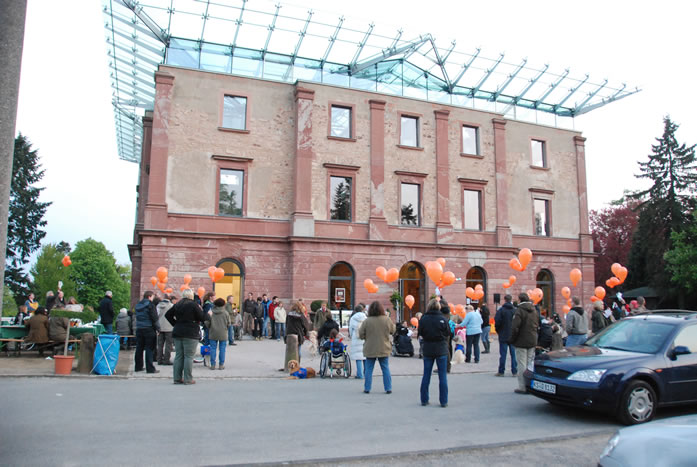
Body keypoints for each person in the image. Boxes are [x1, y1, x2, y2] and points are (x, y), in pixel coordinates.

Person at [166, 288, 207, 384]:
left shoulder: (177, 304)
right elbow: (201, 317)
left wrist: (176, 324)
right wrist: (206, 314)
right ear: (191, 295)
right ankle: (188, 378)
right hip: (190, 332)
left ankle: (177, 378)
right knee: (189, 356)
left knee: (179, 356)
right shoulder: (193, 305)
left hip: (178, 332)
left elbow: (167, 315)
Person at [418, 298, 450, 407]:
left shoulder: (424, 319)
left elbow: (420, 332)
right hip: (441, 348)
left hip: (428, 348)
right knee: (442, 376)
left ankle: (424, 399)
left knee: (426, 375)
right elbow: (448, 332)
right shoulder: (443, 318)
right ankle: (443, 401)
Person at [358, 301, 395, 394]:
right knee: (385, 368)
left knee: (369, 369)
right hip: (384, 347)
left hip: (370, 348)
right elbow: (393, 330)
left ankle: (367, 388)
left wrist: (366, 337)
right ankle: (388, 388)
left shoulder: (367, 321)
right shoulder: (386, 319)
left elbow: (361, 334)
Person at [510, 293, 539, 394]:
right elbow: (537, 324)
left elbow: (515, 327)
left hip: (521, 340)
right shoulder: (534, 310)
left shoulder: (519, 310)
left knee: (521, 364)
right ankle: (530, 385)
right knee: (529, 363)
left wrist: (512, 339)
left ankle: (523, 386)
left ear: (520, 299)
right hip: (532, 339)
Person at [134, 291, 160, 374]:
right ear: (149, 296)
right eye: (152, 296)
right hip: (149, 328)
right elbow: (154, 318)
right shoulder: (150, 305)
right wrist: (158, 329)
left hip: (139, 328)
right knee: (149, 348)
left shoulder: (138, 305)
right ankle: (150, 368)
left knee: (139, 348)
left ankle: (138, 367)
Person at [494, 294, 517, 377]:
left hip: (503, 334)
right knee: (513, 355)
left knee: (503, 354)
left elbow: (497, 322)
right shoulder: (515, 310)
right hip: (513, 335)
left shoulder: (501, 310)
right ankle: (514, 371)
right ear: (511, 300)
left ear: (504, 300)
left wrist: (499, 331)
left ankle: (501, 371)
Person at [206, 298, 231, 370]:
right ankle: (221, 365)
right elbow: (229, 324)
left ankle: (213, 365)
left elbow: (207, 323)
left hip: (213, 333)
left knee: (213, 349)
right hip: (223, 333)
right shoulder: (226, 313)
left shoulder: (211, 312)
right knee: (222, 349)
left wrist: (210, 327)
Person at [348, 304, 367, 379]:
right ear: (362, 310)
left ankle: (360, 374)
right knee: (365, 357)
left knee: (358, 357)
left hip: (356, 338)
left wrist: (351, 336)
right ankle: (366, 373)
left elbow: (350, 329)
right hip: (365, 338)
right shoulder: (366, 317)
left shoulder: (353, 318)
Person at [156, 294, 175, 365]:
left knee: (160, 344)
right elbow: (174, 316)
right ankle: (166, 360)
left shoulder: (158, 305)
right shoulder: (171, 306)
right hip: (169, 327)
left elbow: (156, 316)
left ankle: (159, 359)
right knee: (168, 344)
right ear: (169, 298)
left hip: (160, 327)